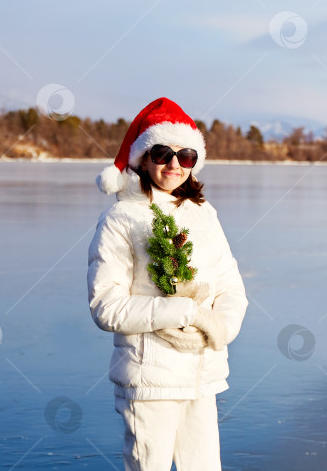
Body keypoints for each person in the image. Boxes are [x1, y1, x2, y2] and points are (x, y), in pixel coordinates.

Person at [87, 97, 248, 471]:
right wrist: (183, 312)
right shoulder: (121, 218)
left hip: (202, 372)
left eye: (186, 156)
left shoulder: (204, 214)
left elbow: (231, 286)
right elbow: (106, 306)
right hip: (149, 377)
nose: (175, 164)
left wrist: (219, 327)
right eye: (162, 153)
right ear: (143, 159)